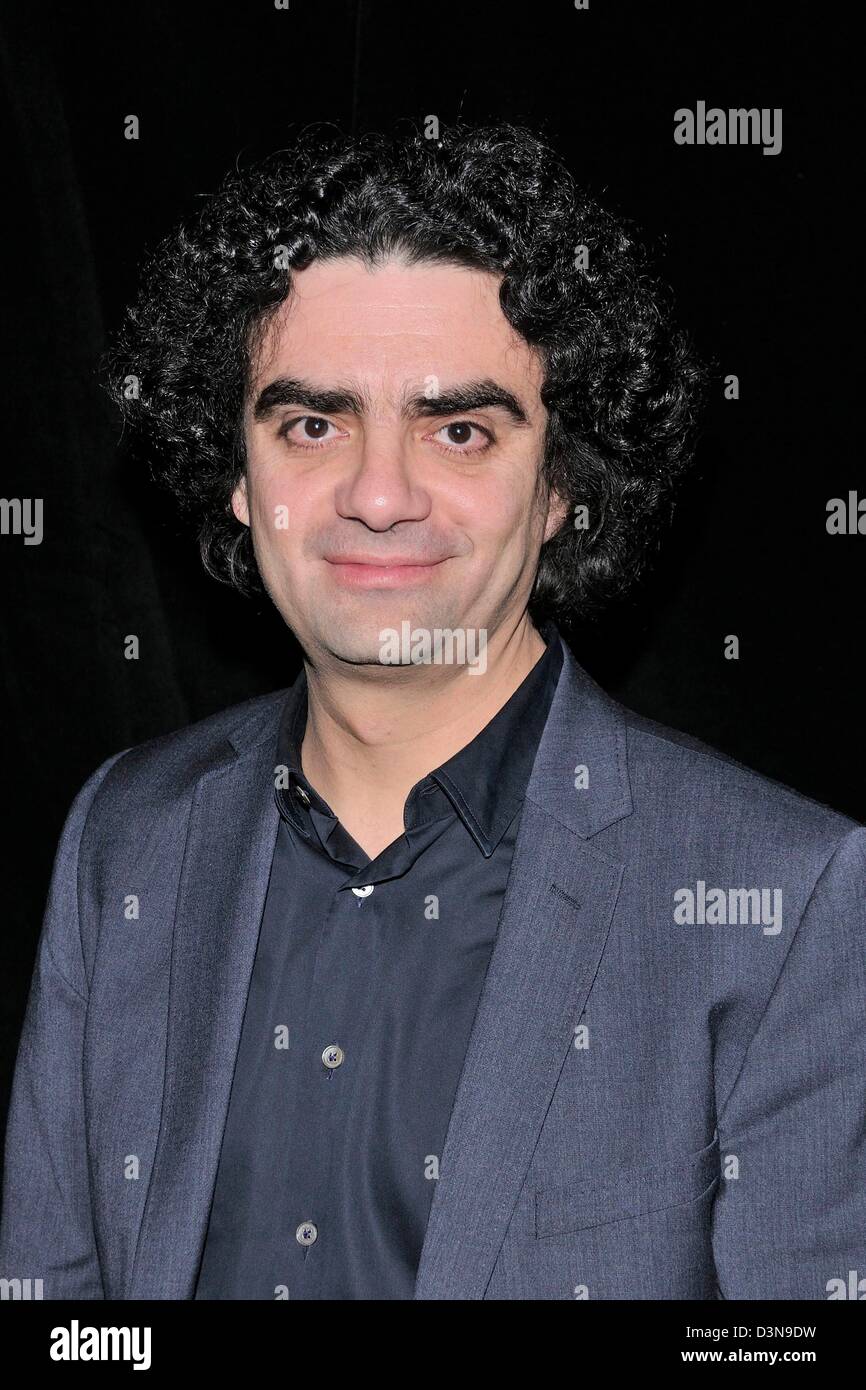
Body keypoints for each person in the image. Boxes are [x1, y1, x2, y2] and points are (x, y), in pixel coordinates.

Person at [1, 122, 863, 1301]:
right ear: (239, 477)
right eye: (314, 423)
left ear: (563, 484)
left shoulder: (785, 896)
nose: (376, 493)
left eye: (457, 429)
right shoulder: (125, 833)